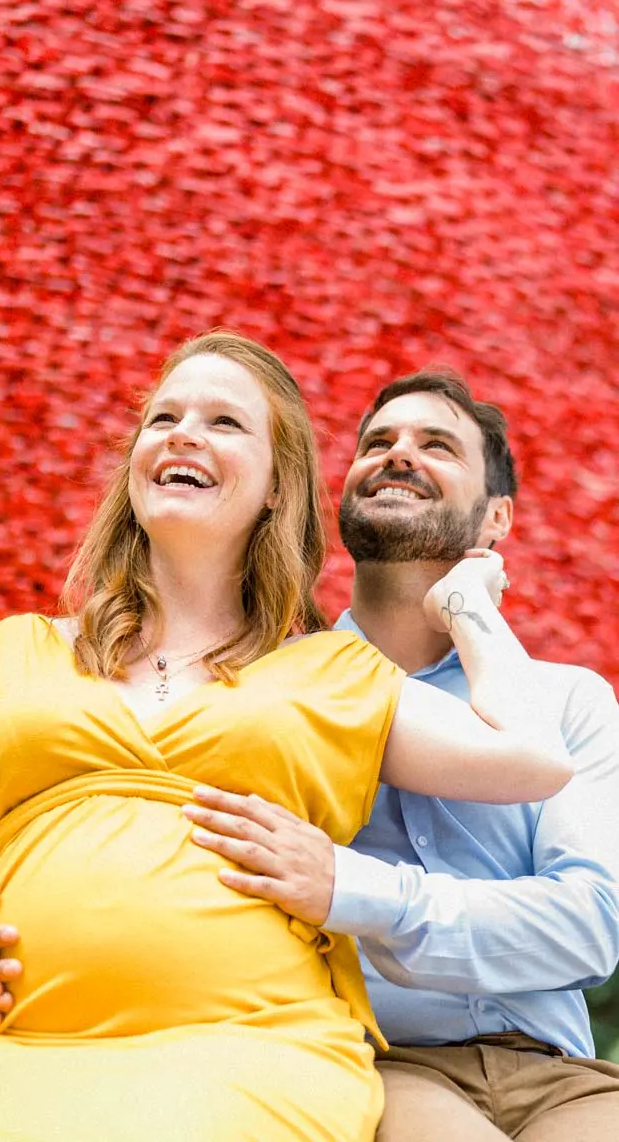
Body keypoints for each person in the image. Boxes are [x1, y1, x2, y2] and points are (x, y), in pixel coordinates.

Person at [0, 337, 573, 1142]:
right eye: (164, 418)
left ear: (274, 490)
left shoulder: (332, 672)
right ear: (135, 467)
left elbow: (536, 759)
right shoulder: (5, 655)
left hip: (245, 1048)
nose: (184, 434)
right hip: (12, 1044)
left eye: (224, 422)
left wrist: (467, 601)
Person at [184, 369, 619, 1142]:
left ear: (496, 520)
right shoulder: (268, 689)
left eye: (436, 444)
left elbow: (589, 926)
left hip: (566, 1076)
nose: (398, 453)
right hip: (373, 1060)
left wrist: (352, 888)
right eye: (378, 442)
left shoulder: (568, 703)